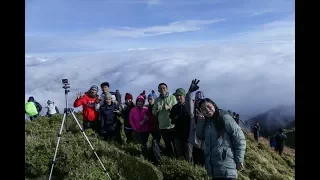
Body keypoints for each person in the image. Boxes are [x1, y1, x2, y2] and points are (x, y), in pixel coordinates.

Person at [196, 98, 246, 180]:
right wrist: (201, 122)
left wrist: (239, 159)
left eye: (209, 106)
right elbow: (199, 136)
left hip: (226, 166)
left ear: (214, 105)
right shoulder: (207, 122)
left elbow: (239, 137)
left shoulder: (224, 118)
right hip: (214, 168)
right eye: (204, 109)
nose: (207, 110)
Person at [152, 83, 178, 157]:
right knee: (167, 143)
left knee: (175, 143)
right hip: (162, 126)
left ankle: (177, 157)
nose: (162, 89)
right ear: (158, 90)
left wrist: (170, 107)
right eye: (160, 88)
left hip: (171, 125)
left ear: (167, 89)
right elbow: (153, 112)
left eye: (164, 88)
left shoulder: (172, 97)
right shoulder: (157, 100)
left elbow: (176, 109)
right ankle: (170, 157)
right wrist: (157, 109)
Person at [169, 88, 193, 162]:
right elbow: (171, 119)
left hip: (188, 136)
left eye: (180, 95)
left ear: (184, 96)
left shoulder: (189, 106)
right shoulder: (174, 107)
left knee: (189, 156)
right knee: (180, 155)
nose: (178, 97)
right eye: (177, 96)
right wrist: (174, 119)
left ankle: (191, 171)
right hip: (178, 135)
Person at [189, 88, 206, 166]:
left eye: (201, 101)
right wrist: (189, 93)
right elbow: (188, 103)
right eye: (197, 101)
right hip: (196, 142)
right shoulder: (193, 112)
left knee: (203, 161)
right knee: (196, 160)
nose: (199, 103)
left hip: (205, 143)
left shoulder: (207, 112)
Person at [147, 93, 162, 164]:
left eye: (151, 99)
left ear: (155, 99)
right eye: (148, 99)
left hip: (157, 128)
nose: (149, 101)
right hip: (152, 129)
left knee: (155, 143)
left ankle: (158, 161)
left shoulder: (156, 107)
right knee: (156, 144)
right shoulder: (149, 108)